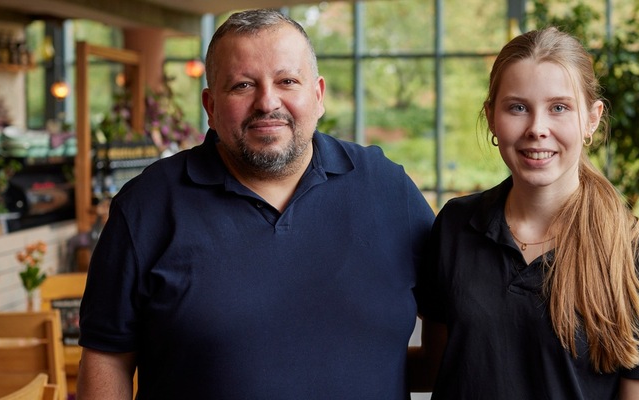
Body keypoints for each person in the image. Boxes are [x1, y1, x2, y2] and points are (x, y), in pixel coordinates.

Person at [77, 9, 434, 399]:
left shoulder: (387, 188)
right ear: (210, 106)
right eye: (243, 85)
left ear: (317, 95)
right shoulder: (146, 207)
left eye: (287, 81)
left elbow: (455, 315)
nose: (267, 102)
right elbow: (107, 357)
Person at [415, 27, 639, 399]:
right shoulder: (455, 227)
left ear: (592, 118)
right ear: (491, 117)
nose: (537, 129)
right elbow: (437, 367)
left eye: (559, 107)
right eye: (518, 107)